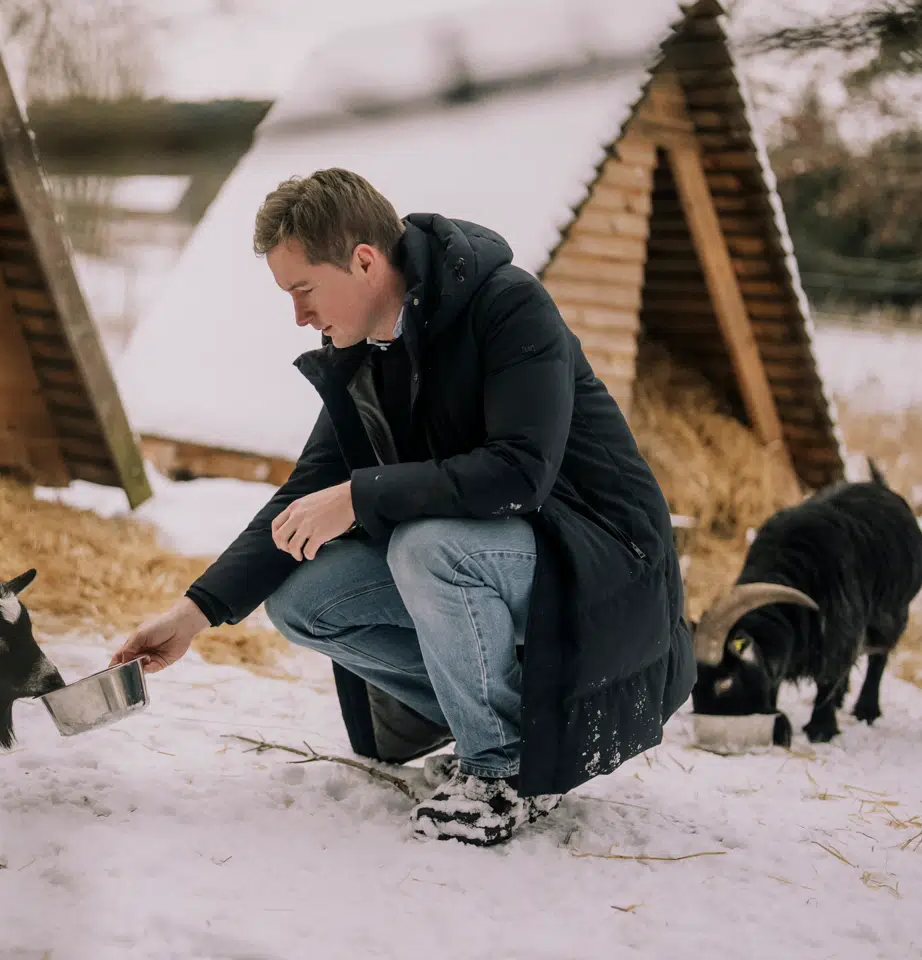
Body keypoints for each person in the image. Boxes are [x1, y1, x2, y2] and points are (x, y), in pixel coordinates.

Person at [111, 168, 694, 847]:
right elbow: (304, 496)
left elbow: (519, 474)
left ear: (363, 261)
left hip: (604, 561)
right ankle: (493, 715)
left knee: (425, 548)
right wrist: (195, 611)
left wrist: (361, 497)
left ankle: (500, 771)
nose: (298, 315)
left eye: (303, 289)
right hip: (509, 556)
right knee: (303, 599)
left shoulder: (506, 305)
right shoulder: (366, 355)